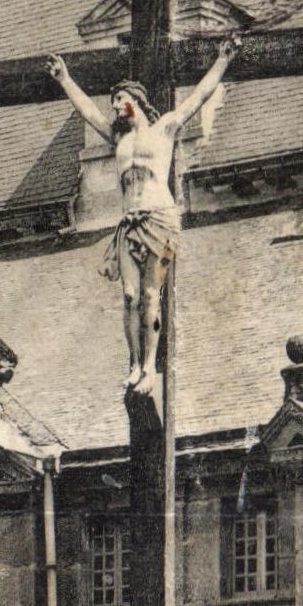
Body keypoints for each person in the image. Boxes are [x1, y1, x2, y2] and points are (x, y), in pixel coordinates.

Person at [45, 38, 241, 394]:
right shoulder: (118, 140)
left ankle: (150, 367)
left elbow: (197, 98)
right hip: (127, 224)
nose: (116, 106)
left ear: (135, 100)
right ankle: (134, 364)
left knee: (151, 295)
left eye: (120, 99)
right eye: (114, 101)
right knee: (130, 296)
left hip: (160, 220)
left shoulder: (164, 129)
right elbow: (87, 111)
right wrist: (64, 79)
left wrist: (222, 62)